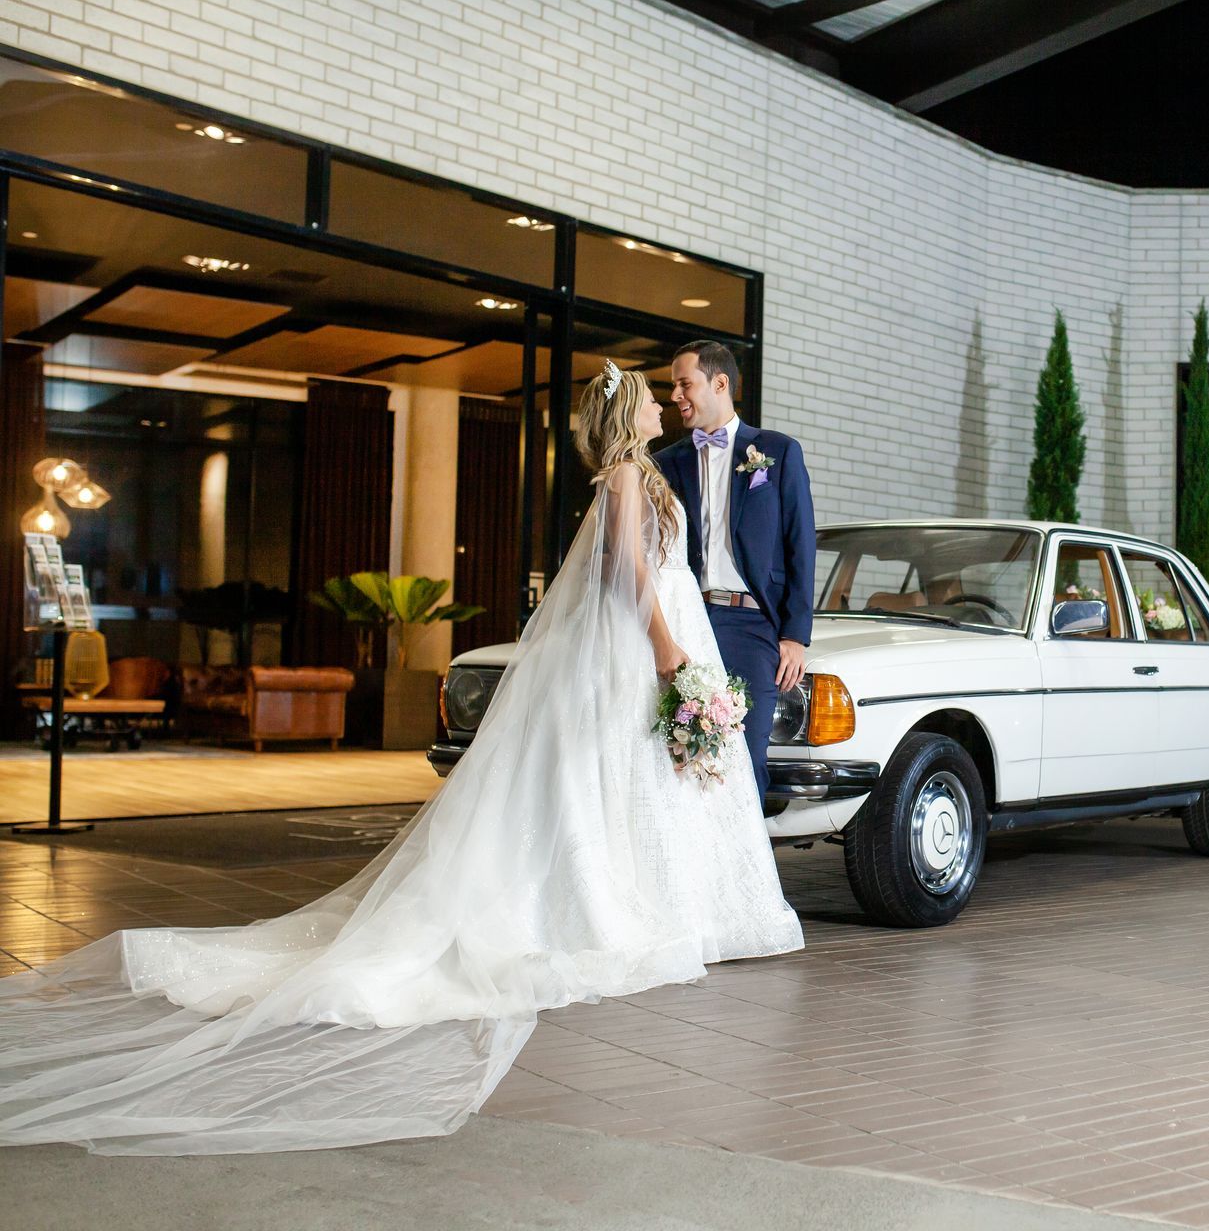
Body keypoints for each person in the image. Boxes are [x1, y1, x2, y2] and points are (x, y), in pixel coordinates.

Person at [0, 362, 802, 1156]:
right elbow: (628, 575)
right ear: (631, 414)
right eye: (656, 396)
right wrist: (667, 648)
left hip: (655, 649)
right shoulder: (629, 478)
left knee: (627, 789)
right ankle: (607, 908)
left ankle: (664, 905)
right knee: (604, 788)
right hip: (645, 648)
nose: (669, 403)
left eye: (680, 389)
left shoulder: (642, 474)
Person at [658, 341, 816, 801]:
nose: (675, 395)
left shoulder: (777, 452)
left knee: (746, 758)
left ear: (719, 382)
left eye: (684, 383)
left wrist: (794, 635)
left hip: (753, 626)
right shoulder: (667, 464)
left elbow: (800, 545)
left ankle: (752, 871)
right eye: (673, 386)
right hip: (689, 621)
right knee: (683, 751)